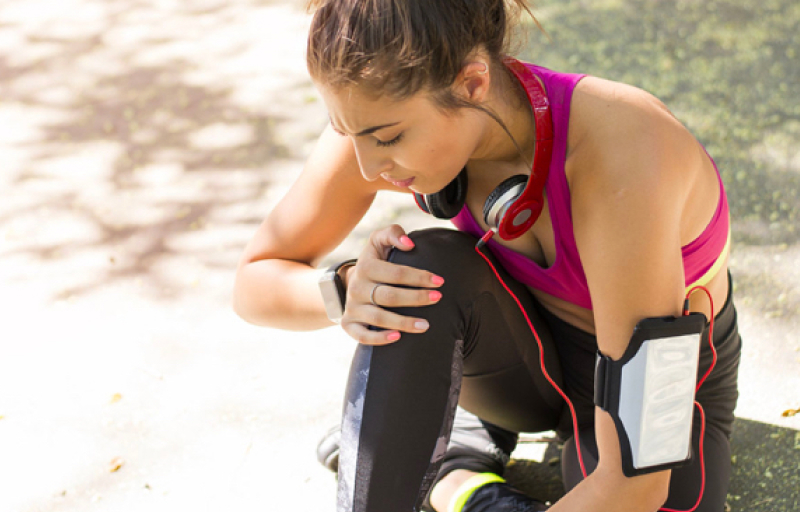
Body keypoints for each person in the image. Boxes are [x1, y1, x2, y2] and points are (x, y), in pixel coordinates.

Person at [233, 1, 741, 511]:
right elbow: (254, 284)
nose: (366, 167)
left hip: (667, 380)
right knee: (413, 271)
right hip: (523, 363)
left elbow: (635, 485)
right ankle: (427, 461)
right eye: (348, 134)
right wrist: (348, 290)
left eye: (388, 137)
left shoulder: (623, 148)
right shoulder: (372, 112)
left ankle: (459, 474)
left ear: (472, 84)